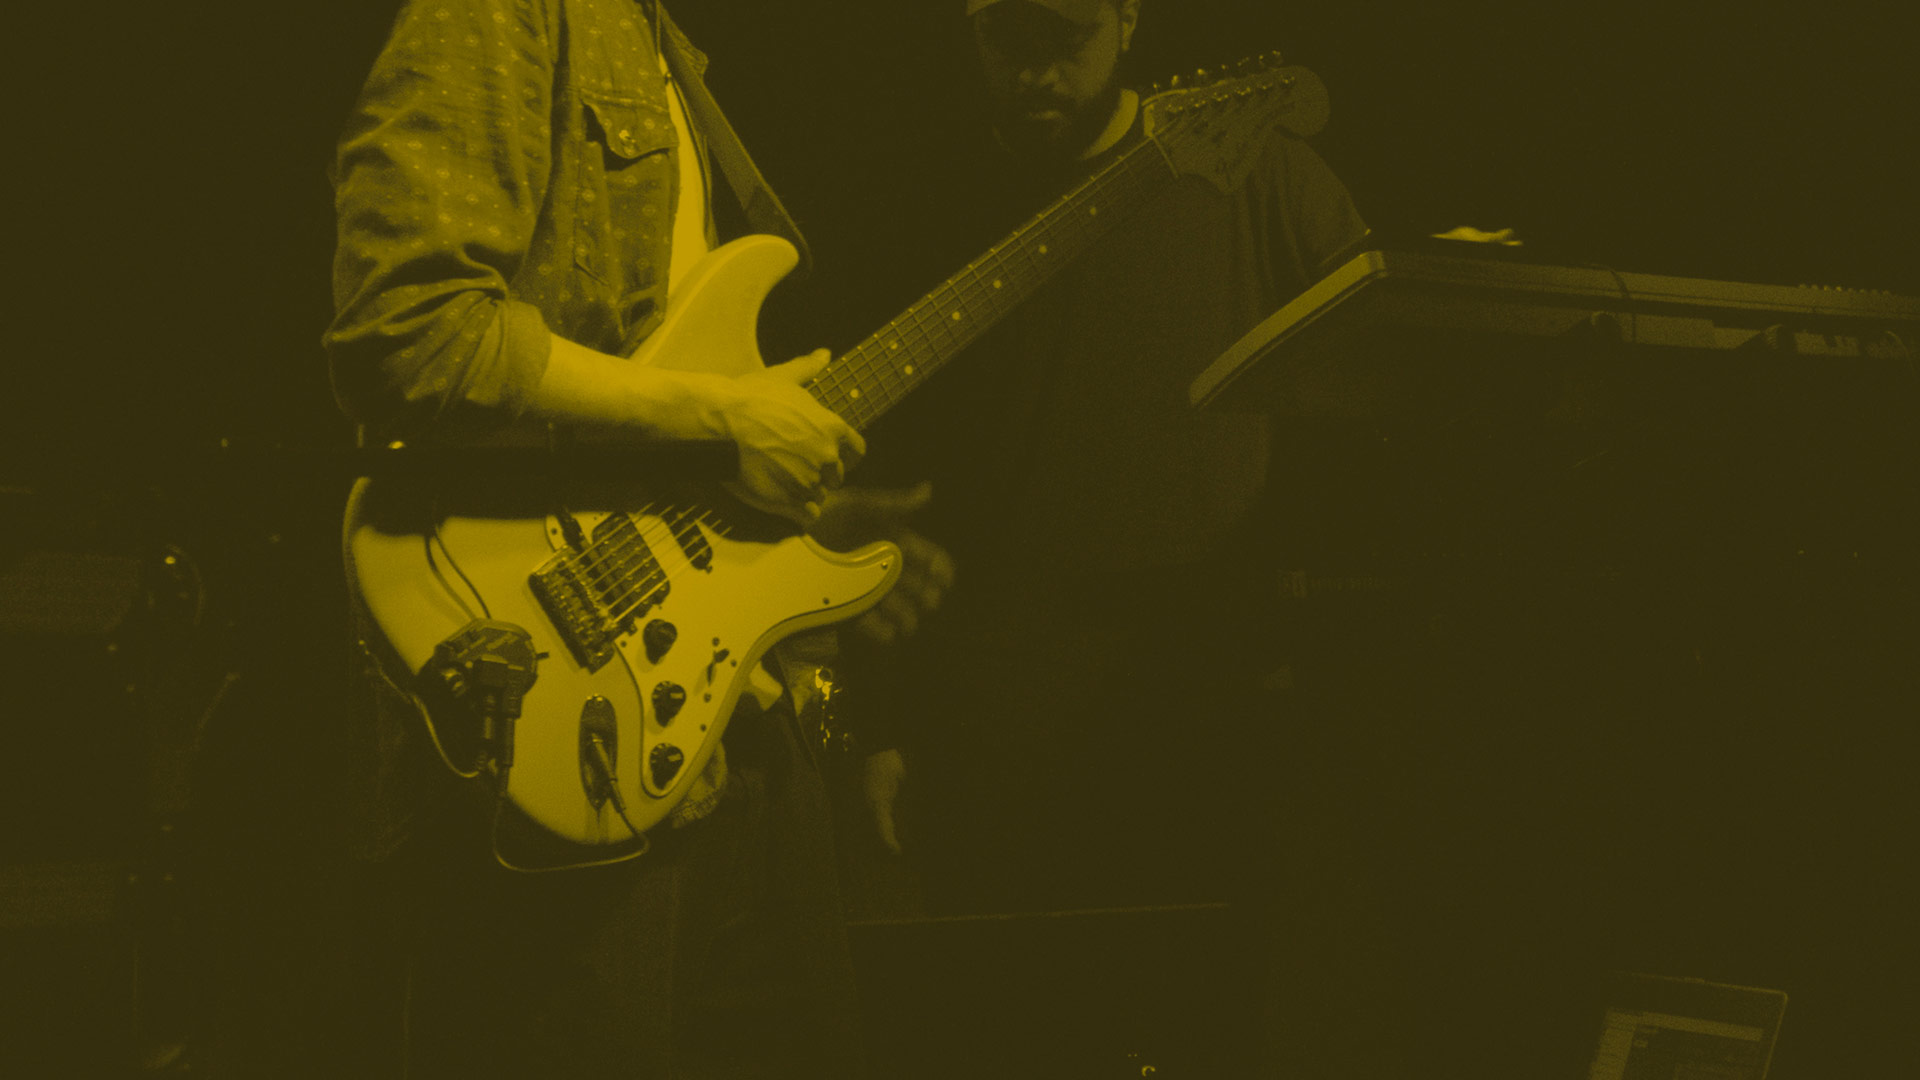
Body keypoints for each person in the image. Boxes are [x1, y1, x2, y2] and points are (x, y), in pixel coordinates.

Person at [322, 1, 877, 1075]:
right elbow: (409, 335)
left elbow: (653, 380)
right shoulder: (497, 14)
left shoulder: (671, 51)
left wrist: (768, 490)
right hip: (552, 708)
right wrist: (726, 419)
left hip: (718, 716)